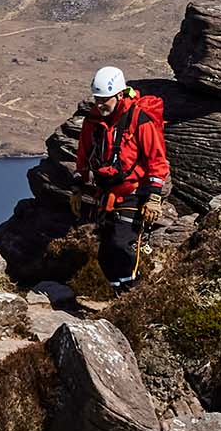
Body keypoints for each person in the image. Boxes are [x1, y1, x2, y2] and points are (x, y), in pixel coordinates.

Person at [64, 65, 171, 287]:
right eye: (97, 99)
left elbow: (157, 161)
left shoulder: (139, 120)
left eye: (105, 99)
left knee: (122, 245)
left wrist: (153, 198)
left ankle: (134, 294)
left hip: (133, 192)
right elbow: (83, 157)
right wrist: (77, 187)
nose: (100, 104)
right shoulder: (92, 122)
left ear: (120, 94)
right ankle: (118, 295)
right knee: (105, 253)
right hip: (106, 194)